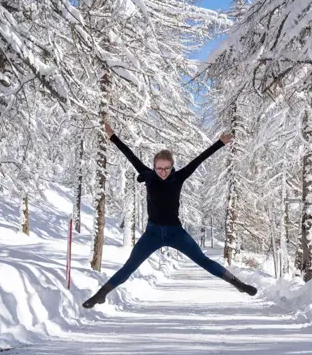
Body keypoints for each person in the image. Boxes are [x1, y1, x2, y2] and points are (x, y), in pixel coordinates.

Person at [82, 122, 258, 309]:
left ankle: (239, 284)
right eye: (159, 168)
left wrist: (220, 143)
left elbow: (199, 160)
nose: (163, 172)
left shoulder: (179, 177)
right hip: (152, 234)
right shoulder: (148, 175)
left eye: (166, 168)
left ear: (172, 167)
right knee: (129, 266)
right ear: (154, 167)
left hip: (176, 233)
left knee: (204, 261)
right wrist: (112, 137)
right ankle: (101, 294)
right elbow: (129, 155)